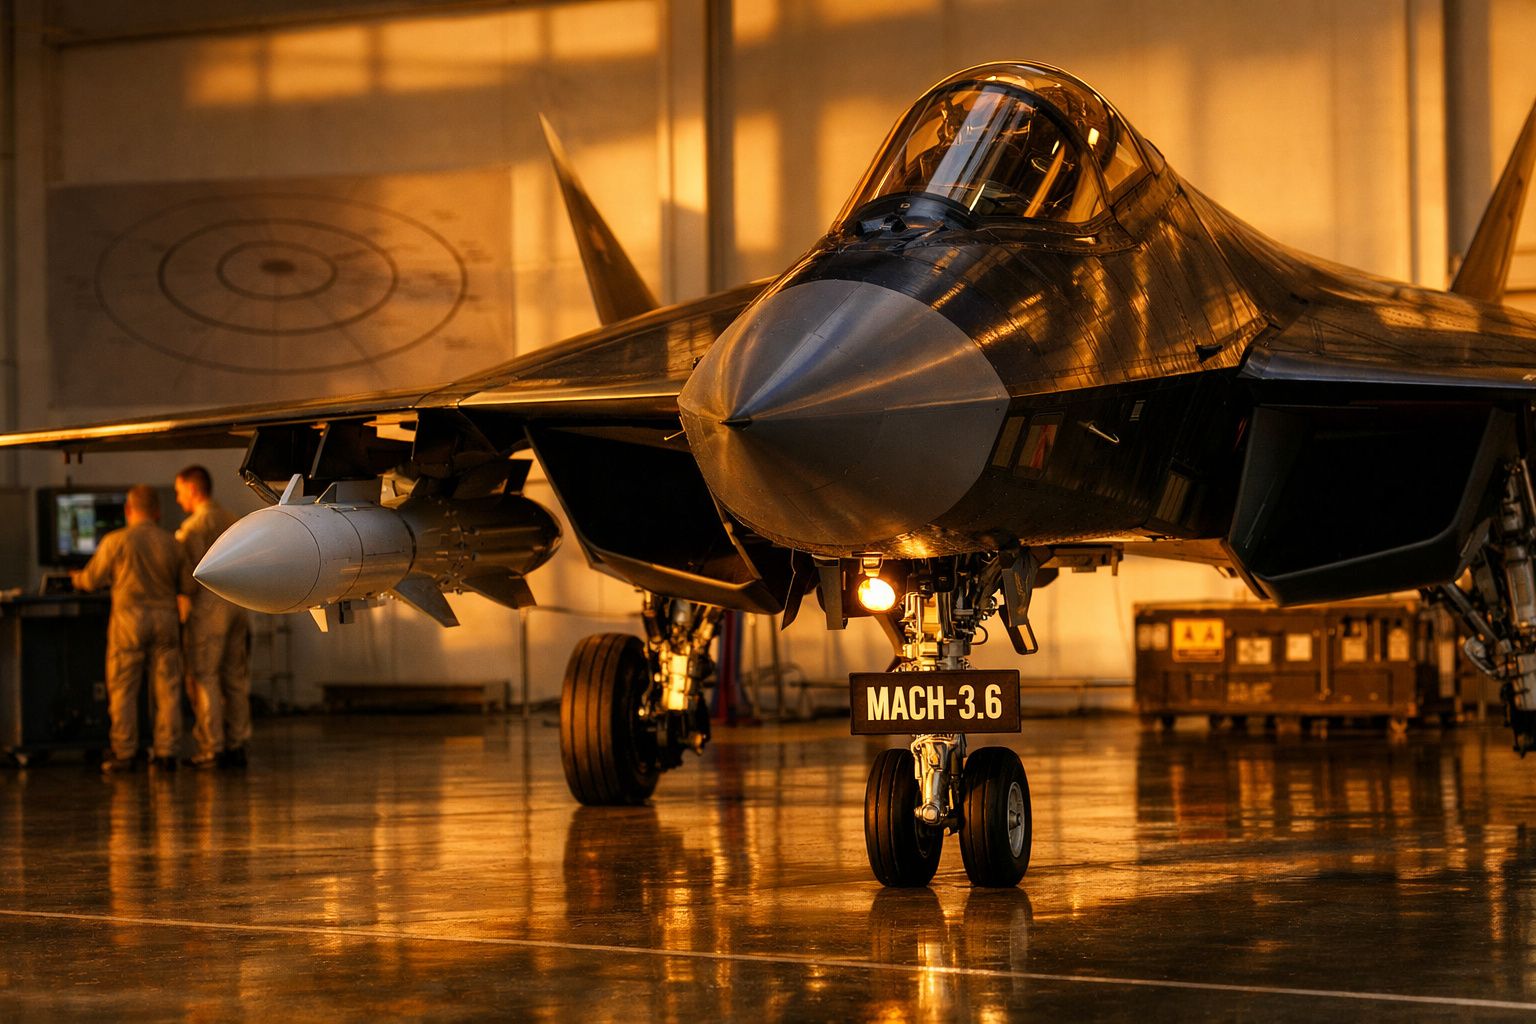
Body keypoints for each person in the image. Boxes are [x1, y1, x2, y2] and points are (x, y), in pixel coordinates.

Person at [71, 485, 193, 774]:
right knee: (167, 690)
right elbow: (188, 585)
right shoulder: (171, 543)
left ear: (128, 510)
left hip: (129, 622)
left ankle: (124, 752)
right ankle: (166, 752)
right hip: (165, 621)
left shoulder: (116, 541)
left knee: (123, 689)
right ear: (157, 511)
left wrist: (75, 579)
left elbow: (91, 579)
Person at [174, 465, 252, 769]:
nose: (179, 500)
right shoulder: (232, 521)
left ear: (193, 490)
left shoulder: (194, 527)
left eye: (179, 492)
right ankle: (237, 743)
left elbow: (189, 575)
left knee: (204, 676)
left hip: (208, 611)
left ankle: (211, 747)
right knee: (234, 677)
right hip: (237, 605)